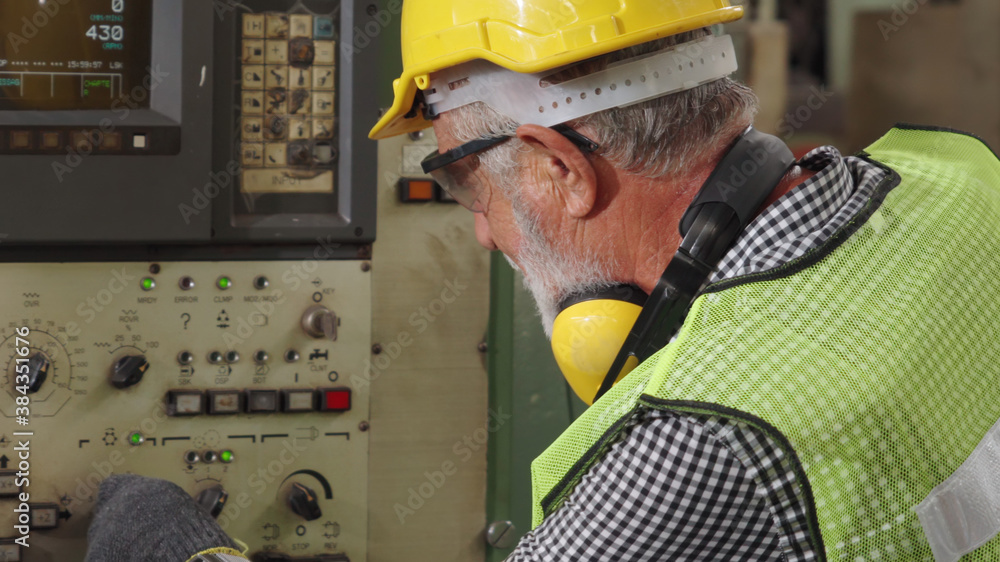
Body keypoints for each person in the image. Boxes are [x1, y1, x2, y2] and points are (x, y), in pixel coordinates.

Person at [87, 1, 1000, 560]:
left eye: (466, 185)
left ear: (560, 166)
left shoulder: (700, 446)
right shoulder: (962, 178)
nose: (482, 234)